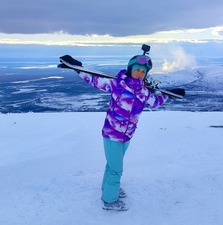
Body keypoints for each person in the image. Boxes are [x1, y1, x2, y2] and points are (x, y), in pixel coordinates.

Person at [60, 51, 176, 211]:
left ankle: (107, 188)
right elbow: (95, 80)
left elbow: (154, 102)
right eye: (137, 69)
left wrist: (169, 95)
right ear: (130, 69)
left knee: (111, 165)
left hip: (127, 135)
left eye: (143, 72)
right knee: (116, 169)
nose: (140, 73)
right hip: (112, 134)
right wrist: (78, 68)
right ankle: (109, 201)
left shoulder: (142, 91)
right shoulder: (118, 84)